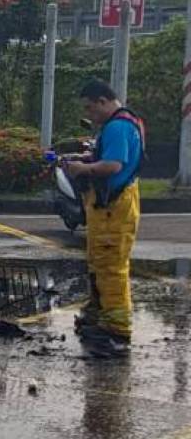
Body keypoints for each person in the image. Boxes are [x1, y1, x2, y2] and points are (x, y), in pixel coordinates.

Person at [63, 80, 144, 358]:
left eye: (90, 107)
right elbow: (109, 158)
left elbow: (113, 165)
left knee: (111, 267)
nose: (89, 114)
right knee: (98, 262)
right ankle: (99, 317)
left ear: (102, 101)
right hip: (108, 206)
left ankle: (117, 332)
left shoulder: (118, 126)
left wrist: (82, 168)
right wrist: (87, 157)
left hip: (113, 208)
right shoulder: (124, 122)